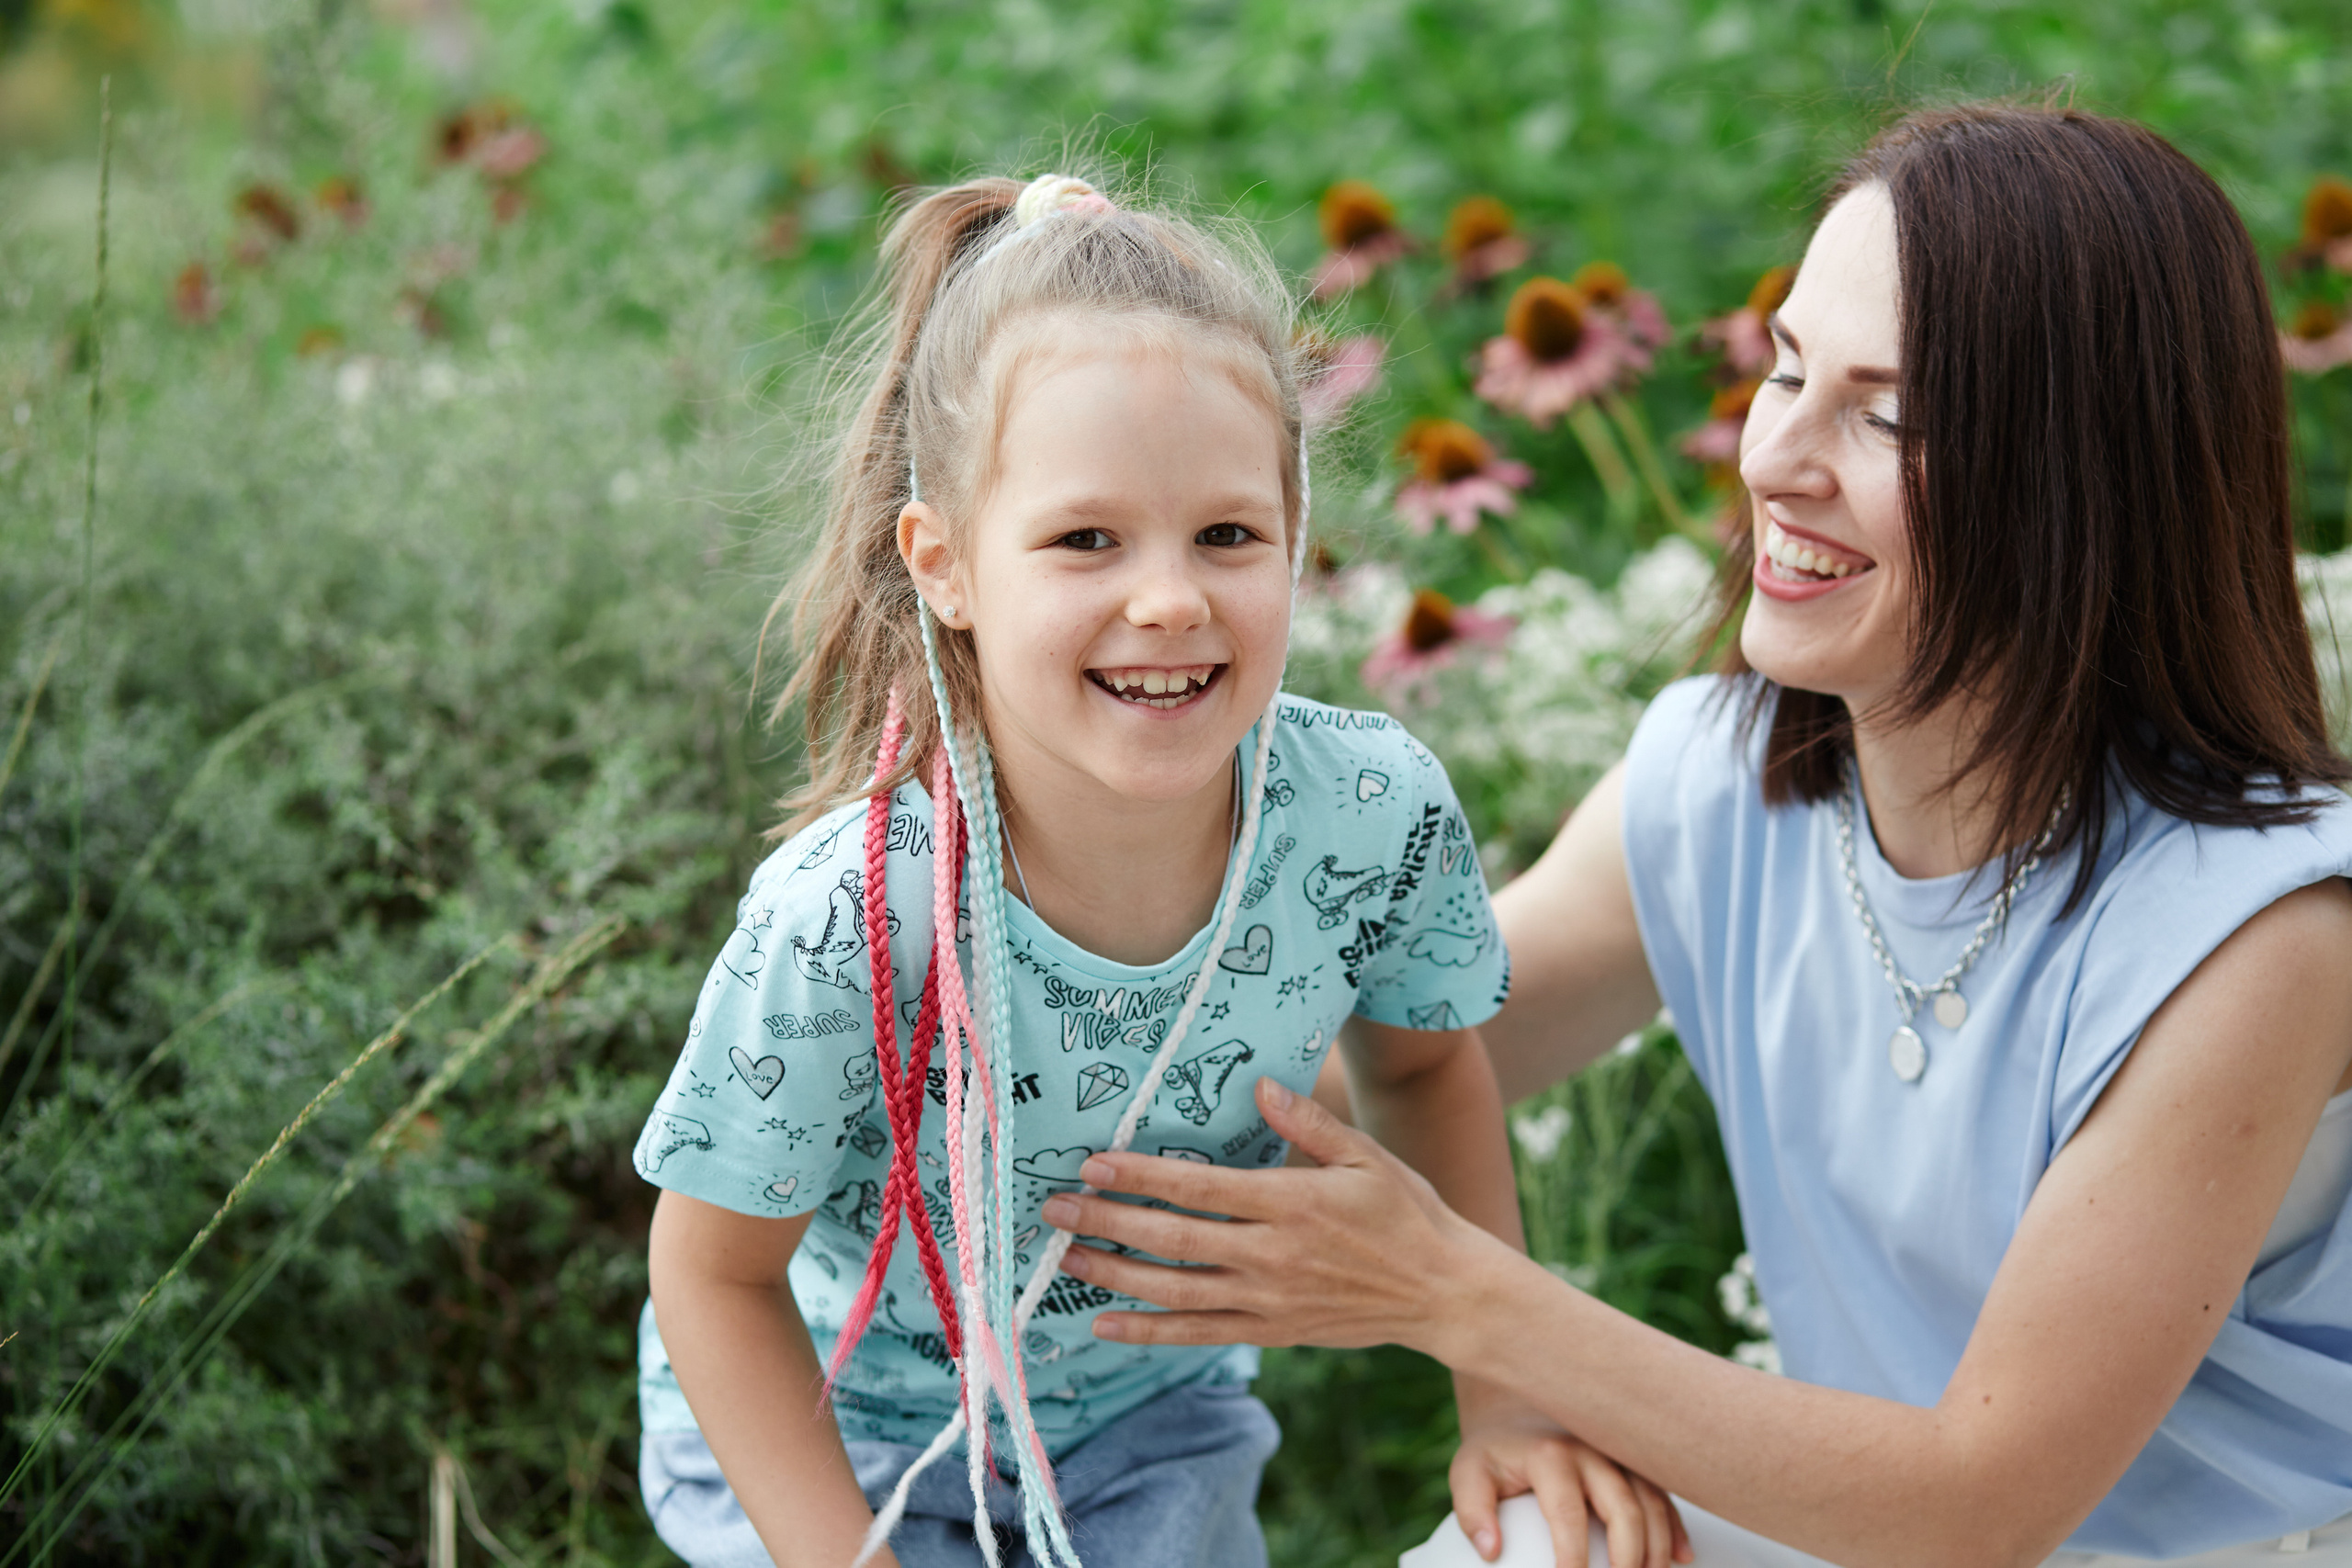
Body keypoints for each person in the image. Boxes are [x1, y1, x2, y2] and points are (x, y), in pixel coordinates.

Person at [1037, 103, 2352, 1566]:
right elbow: (1360, 1069)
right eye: (1787, 371)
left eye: (1889, 414)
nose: (1779, 456)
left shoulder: (2266, 933)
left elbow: (1987, 1499)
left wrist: (1458, 1293)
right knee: (1533, 1548)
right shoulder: (1718, 787)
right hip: (1871, 1535)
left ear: (2092, 481)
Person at [629, 172, 1681, 1568]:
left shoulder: (1366, 816)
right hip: (826, 1441)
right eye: (1085, 540)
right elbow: (710, 1275)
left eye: (1229, 535)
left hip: (1149, 1435)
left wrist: (1503, 1400)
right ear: (945, 565)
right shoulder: (851, 913)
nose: (1171, 597)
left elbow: (1425, 1068)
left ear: (1298, 542)